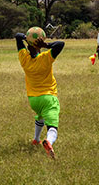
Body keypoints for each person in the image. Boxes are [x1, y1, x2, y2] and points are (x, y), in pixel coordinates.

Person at [15, 29, 65, 160]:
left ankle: (36, 140)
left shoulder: (24, 60)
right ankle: (49, 141)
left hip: (33, 100)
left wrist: (27, 39)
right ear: (39, 48)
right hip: (49, 97)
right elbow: (60, 44)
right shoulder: (45, 58)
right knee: (52, 126)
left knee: (41, 116)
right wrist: (46, 45)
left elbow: (17, 37)